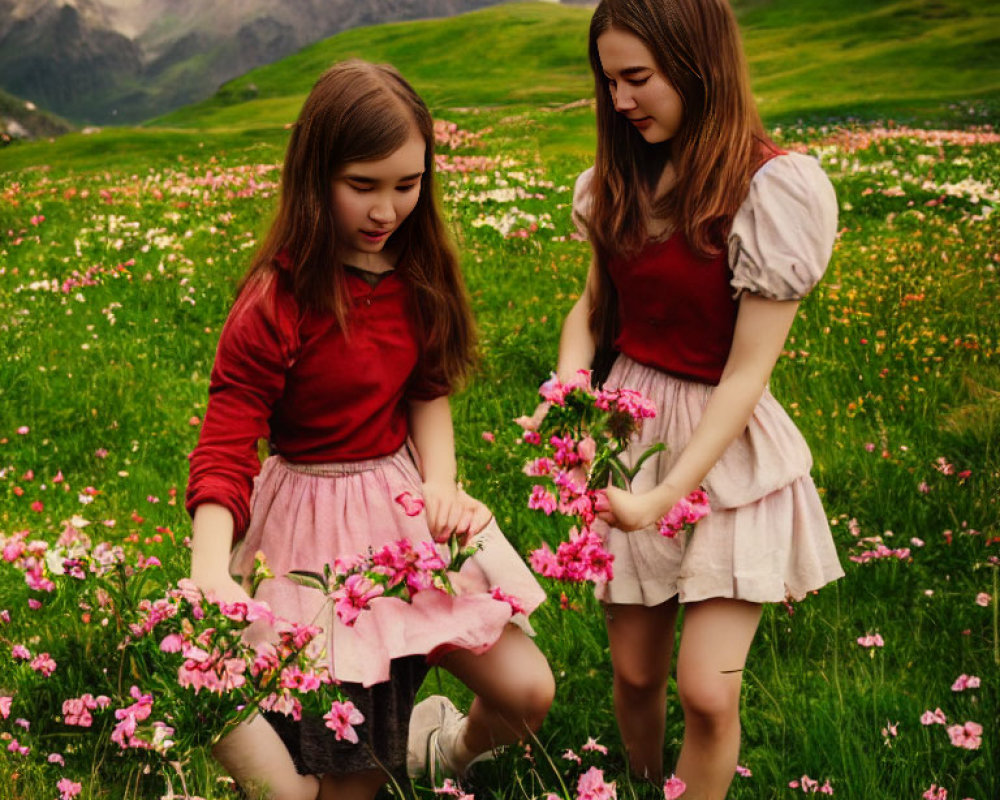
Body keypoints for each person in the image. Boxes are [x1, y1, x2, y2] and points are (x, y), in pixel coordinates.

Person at [185, 60, 553, 800]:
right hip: (313, 531)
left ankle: (441, 750)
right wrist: (208, 566)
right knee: (350, 775)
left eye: (407, 185)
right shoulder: (277, 298)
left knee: (527, 692)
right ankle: (226, 729)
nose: (388, 209)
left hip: (403, 509)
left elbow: (428, 389)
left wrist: (441, 483)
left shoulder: (417, 271)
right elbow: (229, 439)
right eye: (364, 185)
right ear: (316, 176)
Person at [555, 1, 845, 796]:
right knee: (636, 672)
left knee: (708, 691)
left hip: (727, 446)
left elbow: (748, 375)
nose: (620, 102)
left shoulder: (771, 187)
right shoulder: (615, 180)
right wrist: (574, 400)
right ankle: (646, 781)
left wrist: (667, 496)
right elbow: (591, 310)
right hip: (632, 426)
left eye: (637, 78)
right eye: (609, 81)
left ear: (698, 61)